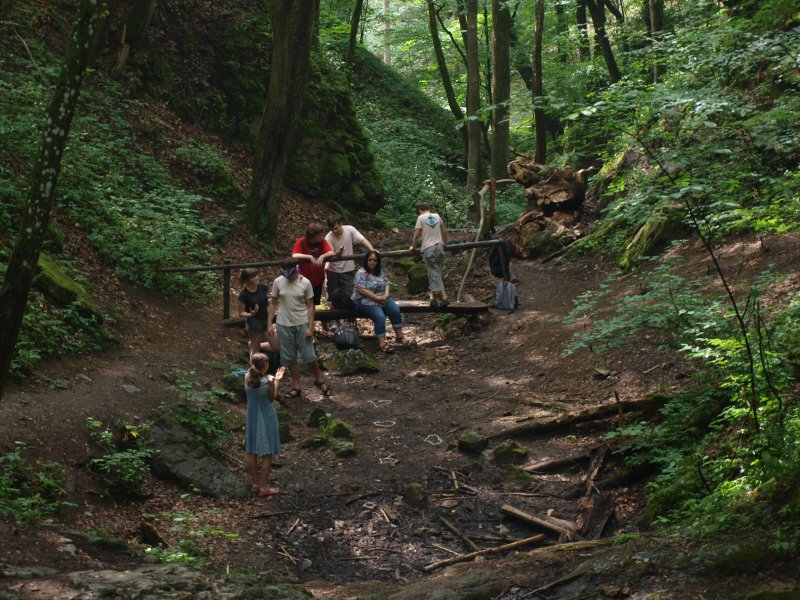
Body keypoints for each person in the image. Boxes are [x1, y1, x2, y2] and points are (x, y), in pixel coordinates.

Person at [267, 260, 332, 398]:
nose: (287, 274)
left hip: (302, 323)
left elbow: (310, 305)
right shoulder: (278, 282)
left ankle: (319, 380)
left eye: (289, 270)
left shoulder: (305, 283)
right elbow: (273, 303)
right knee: (290, 358)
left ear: (295, 269)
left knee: (309, 356)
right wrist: (269, 324)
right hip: (284, 324)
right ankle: (297, 387)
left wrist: (310, 327)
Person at [244, 353, 285, 496]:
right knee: (267, 453)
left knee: (252, 450)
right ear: (266, 365)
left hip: (252, 416)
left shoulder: (247, 377)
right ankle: (264, 487)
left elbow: (256, 374)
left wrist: (269, 378)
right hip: (266, 416)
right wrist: (276, 381)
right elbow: (272, 398)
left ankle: (256, 483)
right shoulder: (266, 383)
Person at [353, 251, 406, 353]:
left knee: (395, 310)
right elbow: (362, 290)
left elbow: (386, 283)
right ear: (366, 260)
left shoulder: (379, 271)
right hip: (365, 300)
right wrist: (377, 299)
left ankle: (400, 337)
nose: (372, 262)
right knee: (380, 316)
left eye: (375, 260)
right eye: (370, 260)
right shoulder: (361, 273)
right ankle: (382, 343)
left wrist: (385, 296)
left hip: (382, 298)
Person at [325, 214, 374, 306]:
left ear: (341, 224)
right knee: (333, 296)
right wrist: (336, 254)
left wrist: (371, 250)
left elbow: (362, 239)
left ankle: (349, 313)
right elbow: (329, 254)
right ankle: (335, 313)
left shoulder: (350, 230)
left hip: (347, 269)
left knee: (349, 296)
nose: (334, 231)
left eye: (336, 228)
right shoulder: (328, 237)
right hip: (332, 271)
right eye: (332, 229)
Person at [409, 203, 450, 307]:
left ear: (419, 211)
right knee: (436, 273)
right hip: (439, 247)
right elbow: (444, 230)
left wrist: (413, 247)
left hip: (429, 249)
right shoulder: (437, 216)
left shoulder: (421, 218)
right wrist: (445, 242)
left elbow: (416, 235)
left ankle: (444, 297)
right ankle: (432, 298)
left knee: (434, 273)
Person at [292, 223, 335, 306]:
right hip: (304, 280)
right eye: (320, 235)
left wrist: (323, 256)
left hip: (318, 279)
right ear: (313, 236)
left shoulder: (322, 241)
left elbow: (331, 252)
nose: (322, 236)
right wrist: (309, 257)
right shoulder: (302, 241)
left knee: (314, 303)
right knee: (304, 303)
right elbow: (295, 255)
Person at [238, 268, 276, 361]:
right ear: (246, 280)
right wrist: (251, 314)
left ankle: (253, 344)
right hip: (254, 323)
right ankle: (253, 369)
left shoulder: (263, 287)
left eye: (256, 275)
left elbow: (264, 301)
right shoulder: (244, 295)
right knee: (255, 350)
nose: (256, 278)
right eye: (252, 277)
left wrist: (273, 300)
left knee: (276, 346)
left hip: (266, 320)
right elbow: (241, 313)